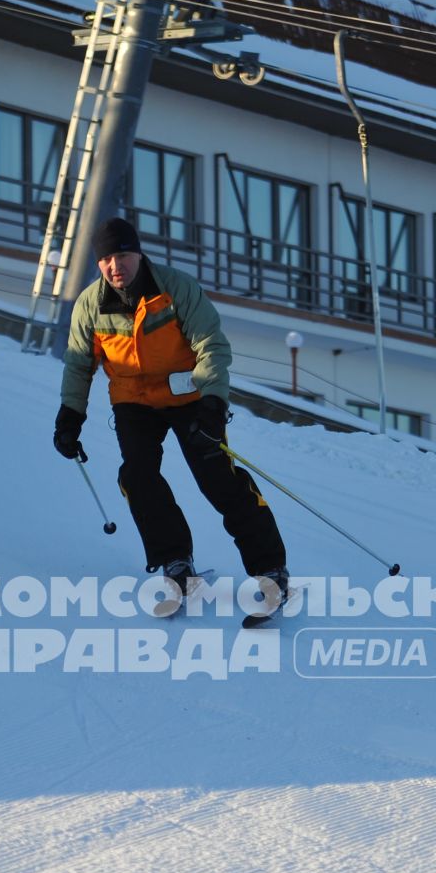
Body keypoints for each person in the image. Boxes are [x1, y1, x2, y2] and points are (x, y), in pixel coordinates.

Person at [54, 216, 288, 608]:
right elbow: (79, 365)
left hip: (190, 398)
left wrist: (213, 401)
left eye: (123, 255)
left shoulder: (176, 288)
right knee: (137, 475)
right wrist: (70, 417)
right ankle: (175, 562)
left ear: (139, 254)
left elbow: (211, 344)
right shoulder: (90, 307)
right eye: (106, 258)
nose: (116, 266)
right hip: (134, 402)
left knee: (218, 478)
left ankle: (270, 570)